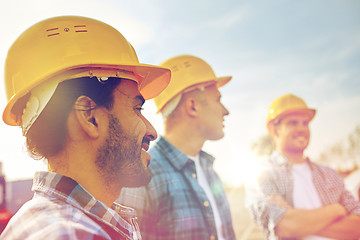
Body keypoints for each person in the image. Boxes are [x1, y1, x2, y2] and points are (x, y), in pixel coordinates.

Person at [0, 16, 170, 239]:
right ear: (89, 117)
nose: (152, 132)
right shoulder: (71, 234)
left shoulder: (39, 222)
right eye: (137, 109)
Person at [118, 55, 236, 240]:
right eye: (217, 99)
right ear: (193, 106)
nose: (225, 110)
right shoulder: (142, 175)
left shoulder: (209, 170)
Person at [245, 93, 360, 240]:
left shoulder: (330, 174)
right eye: (293, 123)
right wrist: (335, 211)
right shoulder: (262, 173)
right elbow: (284, 226)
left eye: (305, 123)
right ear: (275, 130)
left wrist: (299, 222)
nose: (301, 129)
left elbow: (358, 227)